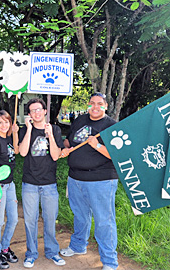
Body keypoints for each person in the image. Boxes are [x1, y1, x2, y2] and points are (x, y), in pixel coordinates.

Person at [60, 92, 118, 270]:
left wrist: (98, 145)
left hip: (101, 180)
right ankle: (78, 246)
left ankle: (109, 261)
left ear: (106, 106)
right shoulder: (80, 120)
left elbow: (117, 155)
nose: (95, 107)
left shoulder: (111, 126)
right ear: (88, 104)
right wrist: (65, 148)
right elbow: (70, 141)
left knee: (104, 221)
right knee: (80, 215)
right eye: (92, 103)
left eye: (100, 104)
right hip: (76, 178)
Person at [18, 98, 65, 268]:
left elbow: (55, 155)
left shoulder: (55, 129)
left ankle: (52, 251)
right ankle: (31, 253)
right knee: (30, 220)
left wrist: (50, 135)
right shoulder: (25, 130)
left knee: (50, 219)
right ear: (29, 114)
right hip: (30, 183)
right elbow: (23, 153)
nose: (36, 113)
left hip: (49, 184)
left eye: (39, 109)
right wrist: (29, 129)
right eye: (32, 110)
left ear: (45, 111)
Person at [0, 110, 20, 269]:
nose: (4, 125)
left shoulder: (7, 138)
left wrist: (15, 134)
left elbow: (15, 151)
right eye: (0, 122)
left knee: (14, 219)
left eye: (6, 122)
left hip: (10, 185)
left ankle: (4, 247)